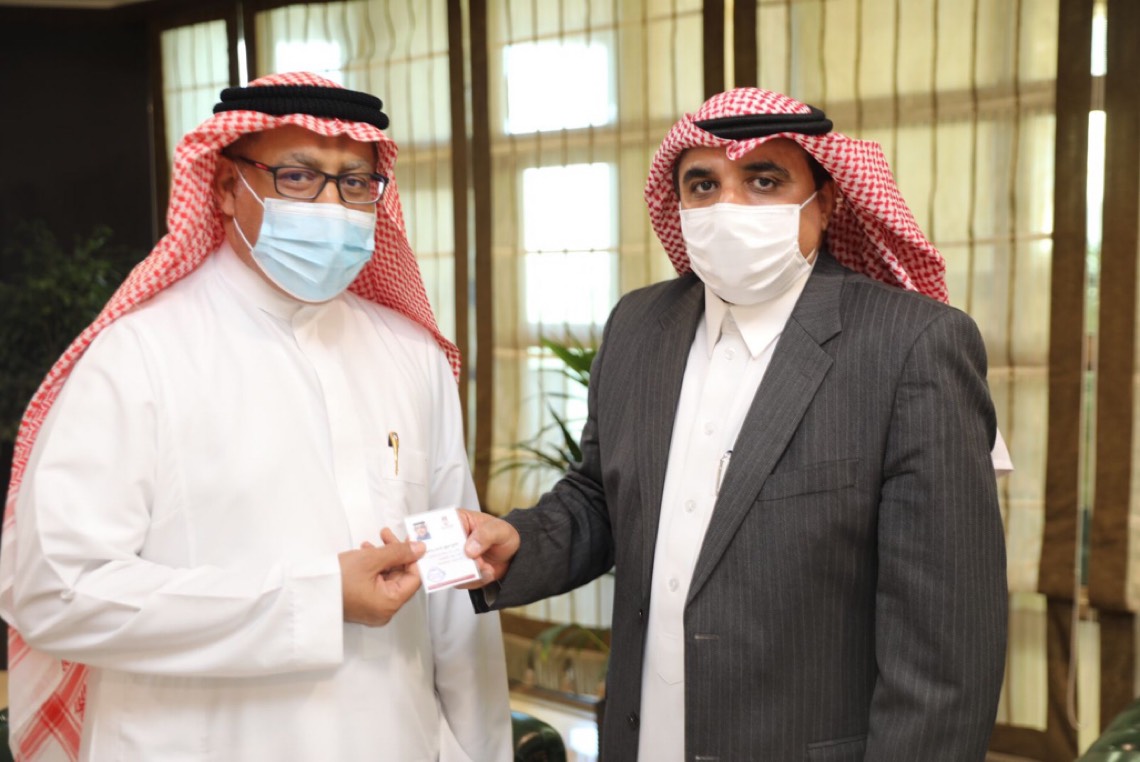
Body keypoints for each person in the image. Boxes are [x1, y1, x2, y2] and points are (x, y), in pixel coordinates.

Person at [462, 87, 1008, 761]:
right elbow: (601, 496)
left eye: (763, 180)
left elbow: (946, 648)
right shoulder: (639, 325)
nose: (728, 207)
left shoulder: (910, 346)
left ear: (825, 202)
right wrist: (518, 542)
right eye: (703, 185)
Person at [0, 72, 511, 762]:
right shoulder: (139, 355)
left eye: (355, 182)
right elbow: (57, 594)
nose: (332, 205)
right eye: (297, 177)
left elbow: (452, 584)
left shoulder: (411, 353)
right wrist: (315, 599)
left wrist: (484, 749)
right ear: (224, 185)